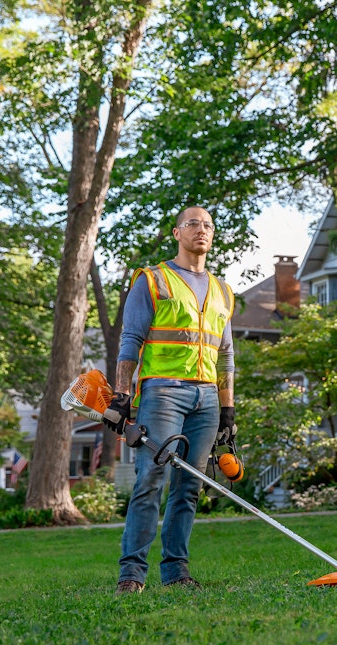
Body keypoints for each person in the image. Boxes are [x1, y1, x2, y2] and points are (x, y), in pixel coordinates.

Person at [103, 205, 236, 595]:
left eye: (209, 224)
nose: (202, 230)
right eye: (193, 223)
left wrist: (227, 407)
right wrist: (122, 395)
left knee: (188, 487)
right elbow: (131, 340)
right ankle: (132, 575)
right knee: (150, 480)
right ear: (177, 232)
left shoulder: (223, 291)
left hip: (207, 399)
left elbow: (225, 354)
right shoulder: (153, 280)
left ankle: (176, 573)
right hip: (162, 393)